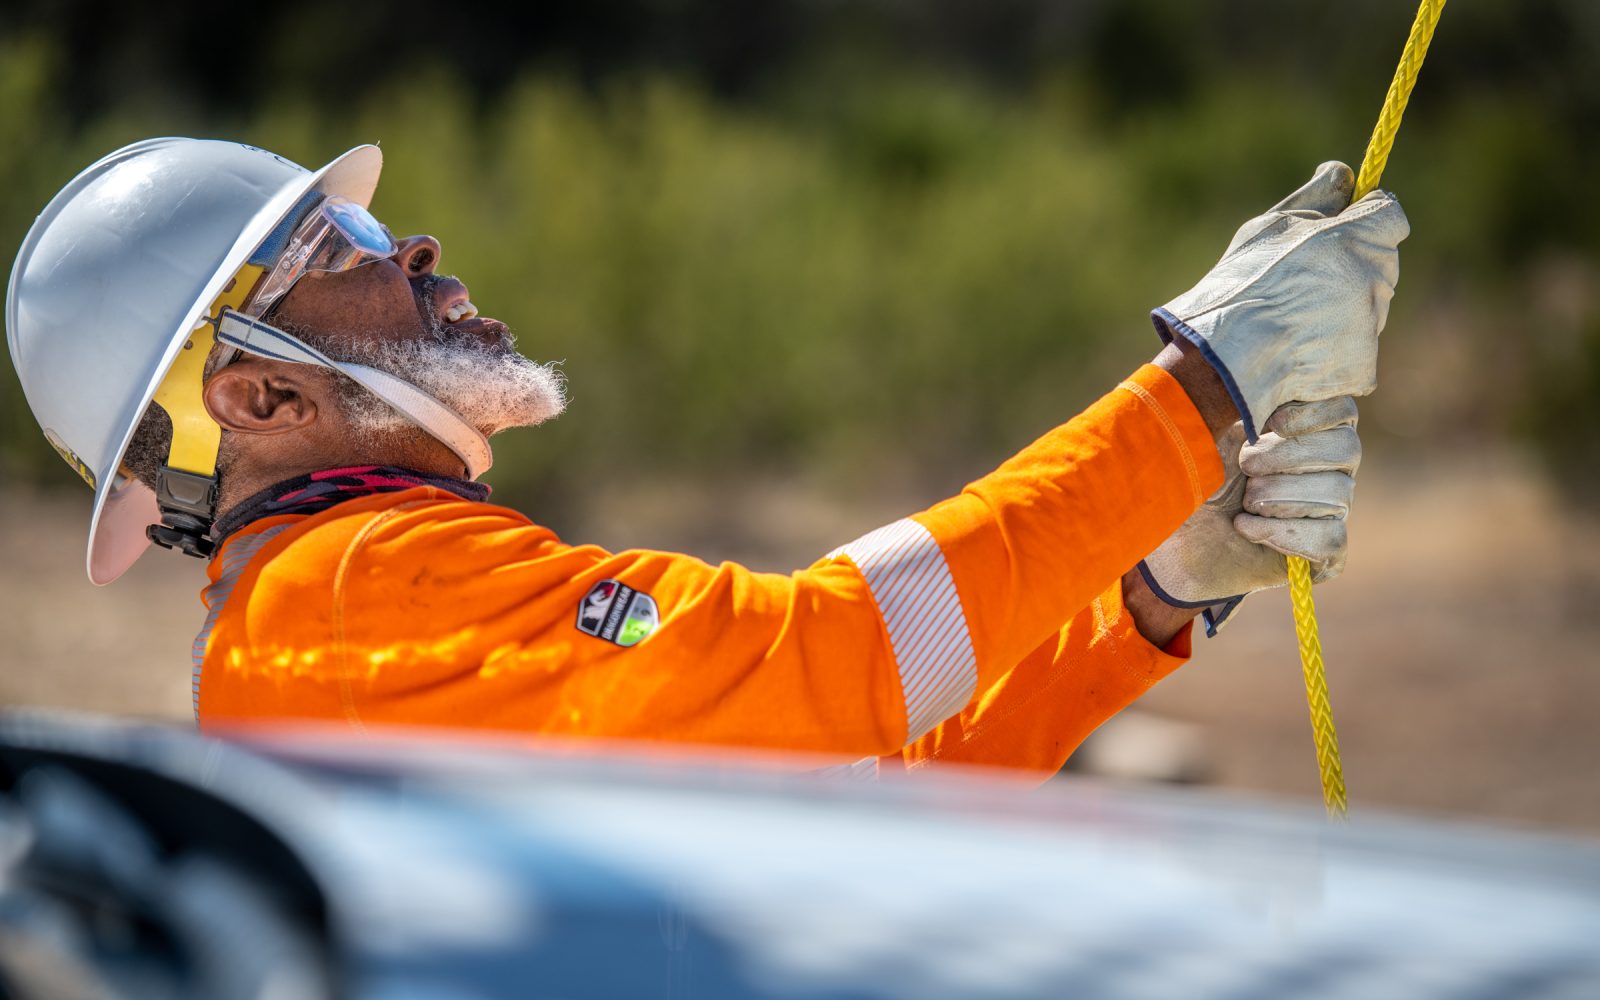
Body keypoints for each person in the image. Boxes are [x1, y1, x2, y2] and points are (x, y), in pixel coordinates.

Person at [5, 139, 1404, 779]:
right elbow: (836, 662)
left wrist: (1147, 592)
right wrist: (1199, 388)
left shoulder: (354, 608)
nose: (412, 246)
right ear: (256, 402)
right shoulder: (361, 594)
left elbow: (851, 790)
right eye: (339, 251)